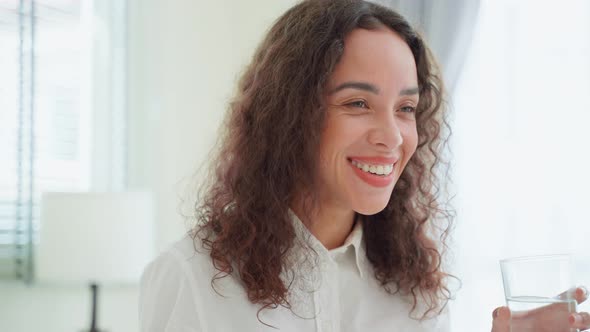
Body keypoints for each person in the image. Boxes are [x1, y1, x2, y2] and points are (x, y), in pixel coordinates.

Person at [139, 1, 590, 331]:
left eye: (406, 108)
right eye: (358, 103)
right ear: (290, 114)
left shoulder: (416, 293)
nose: (392, 137)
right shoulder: (192, 278)